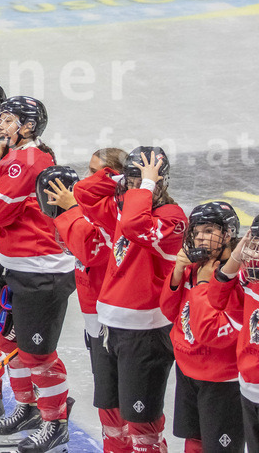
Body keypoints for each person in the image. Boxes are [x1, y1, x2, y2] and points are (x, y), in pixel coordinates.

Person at [73, 147, 187, 453]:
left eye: (144, 180)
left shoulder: (173, 219)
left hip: (145, 332)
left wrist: (144, 185)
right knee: (110, 412)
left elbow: (137, 226)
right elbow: (83, 193)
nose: (135, 186)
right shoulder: (125, 206)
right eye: (133, 180)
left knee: (142, 425)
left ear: (161, 182)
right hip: (109, 324)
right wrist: (123, 176)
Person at [0, 97, 76, 450]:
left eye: (7, 121)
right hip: (17, 266)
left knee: (39, 355)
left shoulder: (28, 161)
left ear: (28, 127)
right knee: (9, 344)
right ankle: (27, 407)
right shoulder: (14, 157)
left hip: (42, 272)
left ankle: (55, 422)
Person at [46, 148, 129, 450]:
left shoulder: (112, 212)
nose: (90, 179)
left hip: (113, 322)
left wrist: (72, 210)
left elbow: (91, 251)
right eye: (90, 170)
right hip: (95, 319)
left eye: (99, 172)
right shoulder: (94, 206)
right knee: (107, 401)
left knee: (120, 403)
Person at [160, 202, 244, 453]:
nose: (200, 238)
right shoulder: (193, 268)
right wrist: (177, 272)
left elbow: (213, 333)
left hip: (222, 380)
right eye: (196, 232)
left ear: (228, 234)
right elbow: (169, 311)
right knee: (193, 442)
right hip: (188, 371)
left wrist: (204, 285)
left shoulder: (236, 277)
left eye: (208, 230)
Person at [208, 217, 259, 453]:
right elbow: (216, 298)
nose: (254, 253)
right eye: (254, 244)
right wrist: (236, 257)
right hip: (250, 384)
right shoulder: (250, 279)